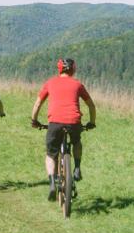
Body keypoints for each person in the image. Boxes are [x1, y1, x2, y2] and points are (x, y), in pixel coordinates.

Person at [30, 57, 96, 201]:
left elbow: (37, 104)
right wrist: (91, 122)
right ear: (73, 69)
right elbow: (91, 105)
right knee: (77, 142)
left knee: (50, 153)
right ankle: (77, 167)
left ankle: (53, 183)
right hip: (74, 123)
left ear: (59, 69)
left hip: (55, 123)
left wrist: (34, 120)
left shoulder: (50, 83)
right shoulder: (78, 84)